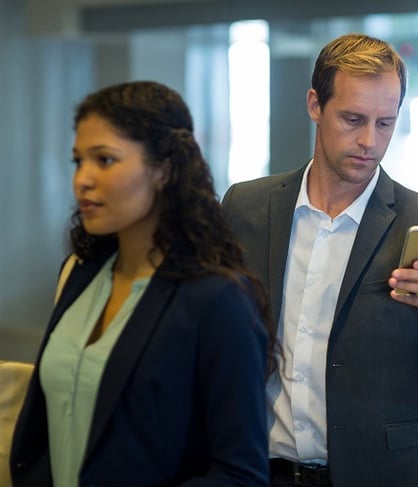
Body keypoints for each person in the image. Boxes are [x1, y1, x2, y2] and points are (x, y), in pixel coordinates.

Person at [221, 33, 418, 487]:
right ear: (315, 105)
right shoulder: (245, 207)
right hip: (260, 470)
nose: (369, 141)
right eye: (352, 119)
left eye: (385, 123)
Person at [10, 80, 275, 486]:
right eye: (78, 161)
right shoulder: (80, 273)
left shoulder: (217, 298)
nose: (82, 179)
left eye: (105, 159)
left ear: (164, 168)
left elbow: (241, 473)